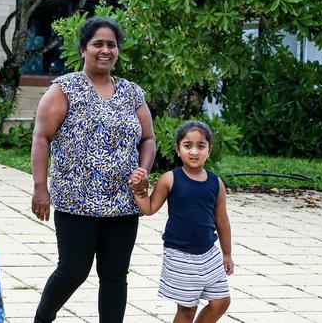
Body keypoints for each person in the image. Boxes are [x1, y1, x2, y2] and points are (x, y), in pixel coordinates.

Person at [31, 16, 156, 322]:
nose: (105, 50)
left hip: (123, 203)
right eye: (97, 44)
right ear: (83, 49)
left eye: (111, 44)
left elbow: (149, 138)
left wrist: (143, 170)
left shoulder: (131, 92)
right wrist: (39, 188)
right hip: (77, 202)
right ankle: (42, 319)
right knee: (73, 270)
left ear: (118, 50)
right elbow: (41, 137)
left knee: (115, 276)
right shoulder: (66, 89)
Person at [130, 120, 233, 323]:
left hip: (209, 253)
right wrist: (138, 191)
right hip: (180, 255)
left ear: (209, 150)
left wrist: (227, 253)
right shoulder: (170, 179)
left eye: (201, 146)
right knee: (187, 310)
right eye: (188, 146)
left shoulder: (216, 183)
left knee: (221, 302)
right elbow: (150, 208)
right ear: (178, 150)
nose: (194, 152)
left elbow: (222, 221)